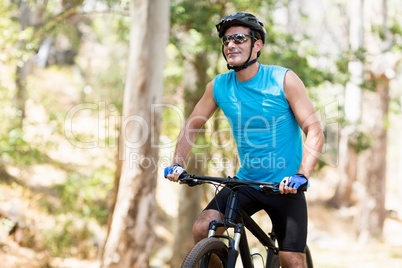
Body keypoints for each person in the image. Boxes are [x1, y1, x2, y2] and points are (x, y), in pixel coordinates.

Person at [165, 11, 324, 268]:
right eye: (226, 41)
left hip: (285, 186)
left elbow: (315, 131)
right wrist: (177, 162)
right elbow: (192, 125)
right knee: (203, 227)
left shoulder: (283, 79)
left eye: (239, 38)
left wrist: (302, 174)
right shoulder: (219, 86)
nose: (230, 45)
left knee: (292, 260)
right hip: (246, 181)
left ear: (257, 44)